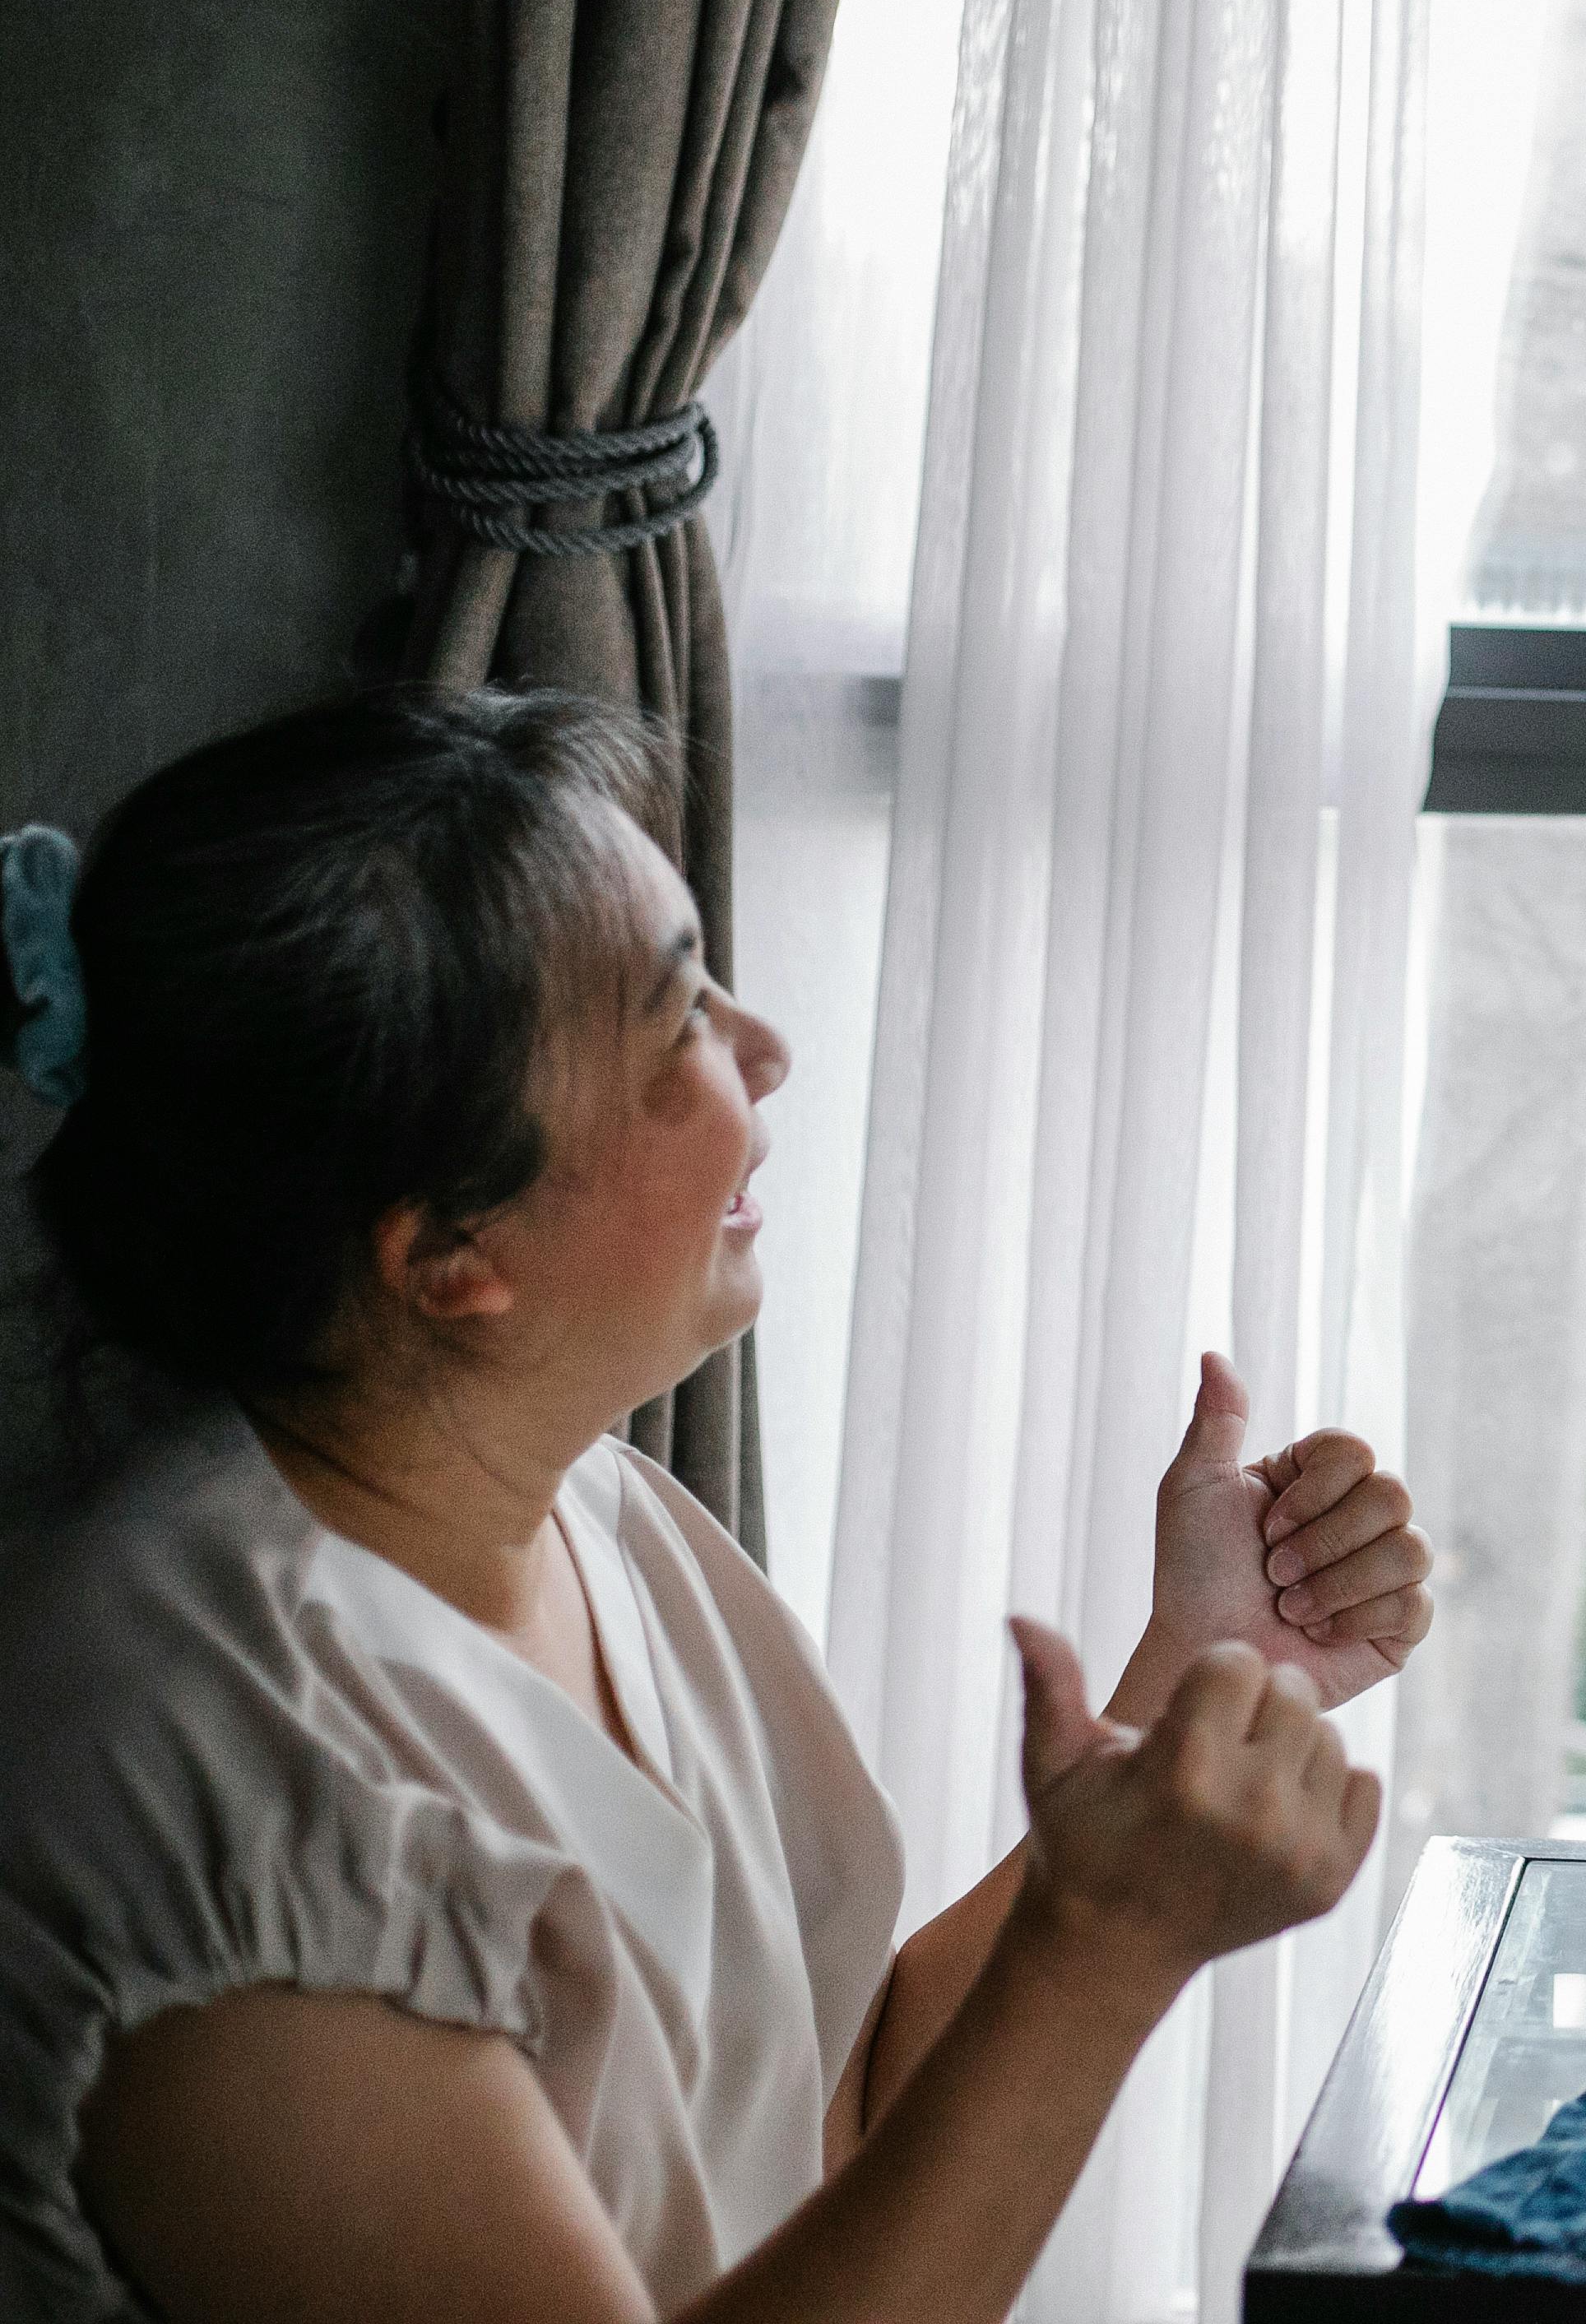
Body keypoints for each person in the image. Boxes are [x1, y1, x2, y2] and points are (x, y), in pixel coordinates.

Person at [0, 689, 1437, 2322]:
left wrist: (1197, 1682)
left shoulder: (604, 1525)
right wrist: (1106, 1952)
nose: (767, 1052)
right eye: (676, 1017)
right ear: (448, 1251)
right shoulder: (208, 1775)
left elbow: (840, 2121)